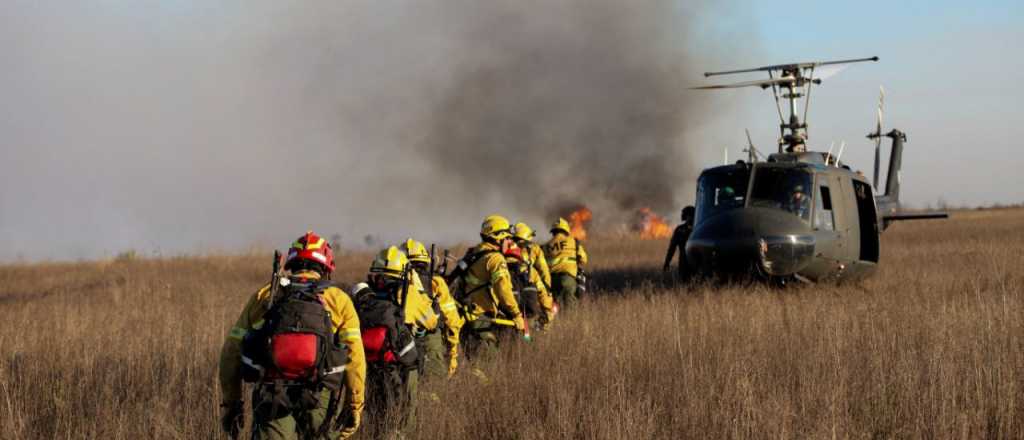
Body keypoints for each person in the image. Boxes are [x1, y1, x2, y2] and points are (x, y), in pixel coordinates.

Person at [219, 231, 365, 440]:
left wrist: (231, 403)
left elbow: (231, 351)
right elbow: (355, 358)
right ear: (326, 267)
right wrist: (354, 405)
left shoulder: (266, 295)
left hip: (272, 394)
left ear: (292, 263)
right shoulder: (339, 299)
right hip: (319, 395)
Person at [357, 246, 436, 434]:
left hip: (370, 363)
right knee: (405, 413)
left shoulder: (364, 296)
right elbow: (431, 322)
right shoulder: (408, 294)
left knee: (375, 410)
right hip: (403, 363)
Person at [448, 214, 526, 357]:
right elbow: (503, 290)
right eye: (507, 238)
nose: (510, 242)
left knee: (477, 362)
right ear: (498, 237)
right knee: (490, 363)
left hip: (465, 317)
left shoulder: (474, 252)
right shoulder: (495, 259)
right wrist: (516, 314)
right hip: (480, 319)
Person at [399, 239, 465, 379]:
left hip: (399, 339)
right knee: (434, 381)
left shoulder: (392, 281)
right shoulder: (435, 281)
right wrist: (453, 353)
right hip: (429, 339)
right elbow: (452, 321)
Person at [512, 222, 556, 328]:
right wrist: (547, 288)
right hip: (529, 280)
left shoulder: (505, 246)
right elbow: (544, 269)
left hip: (509, 285)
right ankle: (542, 329)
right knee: (546, 307)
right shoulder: (534, 249)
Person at [543, 217, 589, 311]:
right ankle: (570, 320)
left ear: (553, 232)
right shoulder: (573, 242)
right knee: (570, 308)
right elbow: (583, 259)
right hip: (567, 280)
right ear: (566, 231)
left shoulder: (546, 246)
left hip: (551, 281)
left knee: (554, 307)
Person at [663, 206, 695, 282]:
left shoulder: (697, 229)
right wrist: (667, 262)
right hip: (684, 261)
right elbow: (672, 248)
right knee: (685, 281)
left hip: (696, 261)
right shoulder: (680, 230)